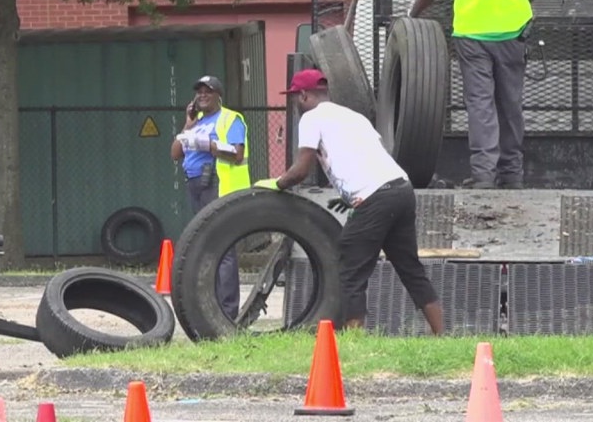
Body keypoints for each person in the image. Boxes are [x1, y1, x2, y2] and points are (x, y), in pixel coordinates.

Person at [255, 69, 444, 334]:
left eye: (296, 98)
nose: (296, 104)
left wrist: (277, 183)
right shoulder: (353, 116)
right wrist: (352, 194)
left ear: (304, 94)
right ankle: (442, 334)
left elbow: (301, 170)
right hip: (401, 188)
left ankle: (354, 339)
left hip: (377, 197)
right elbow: (369, 154)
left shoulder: (311, 118)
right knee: (409, 266)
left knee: (348, 264)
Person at [409, 0, 544, 190]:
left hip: (472, 33)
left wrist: (412, 15)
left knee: (480, 102)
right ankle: (512, 174)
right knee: (510, 102)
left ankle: (484, 175)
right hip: (513, 32)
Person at [170, 75, 249, 320]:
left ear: (218, 95)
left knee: (222, 247)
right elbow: (175, 153)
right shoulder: (197, 122)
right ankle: (210, 305)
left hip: (217, 184)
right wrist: (188, 124)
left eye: (208, 91)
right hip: (196, 185)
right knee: (205, 246)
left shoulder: (230, 119)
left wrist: (209, 146)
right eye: (199, 92)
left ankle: (227, 311)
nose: (203, 95)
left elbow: (237, 154)